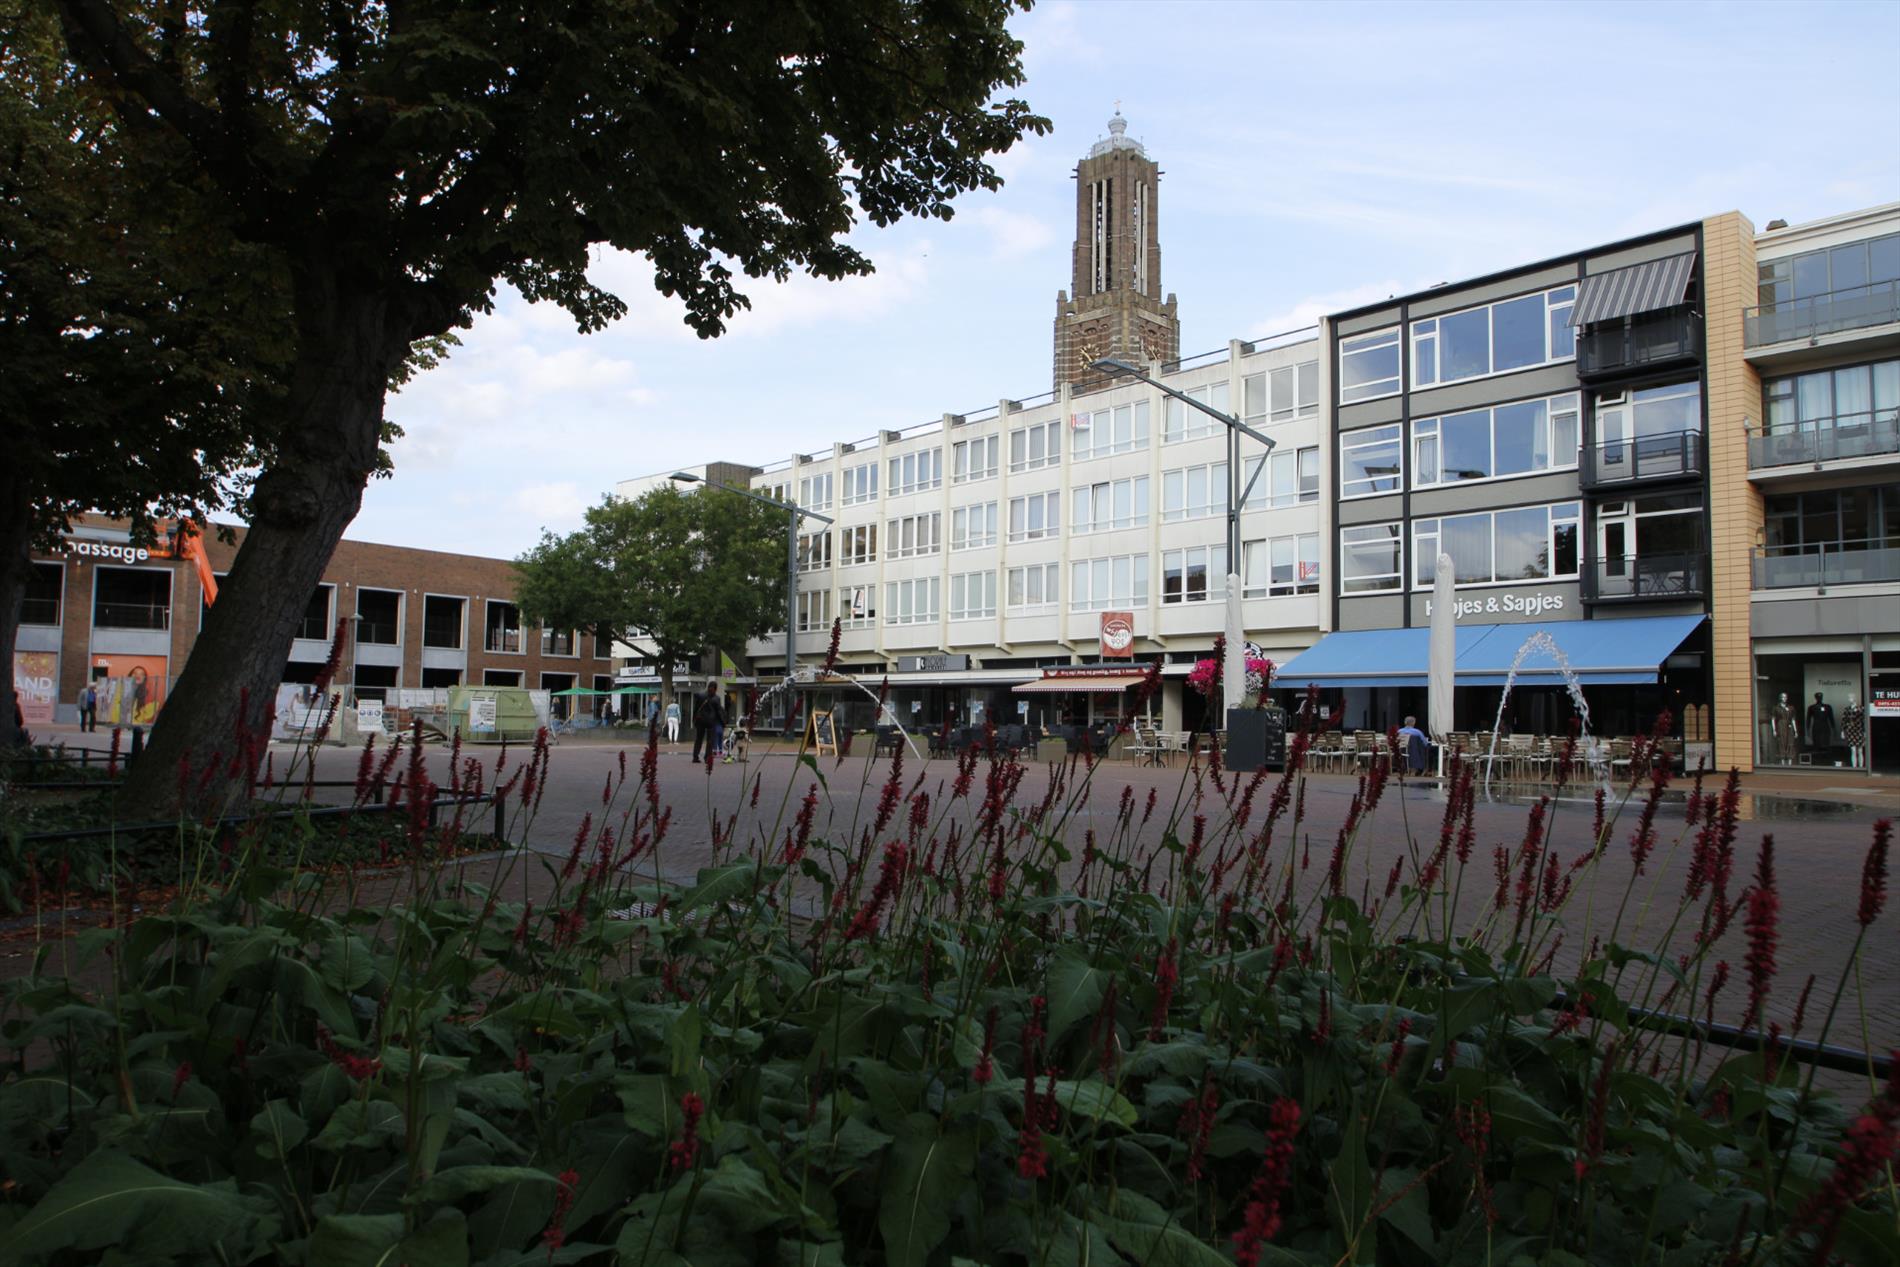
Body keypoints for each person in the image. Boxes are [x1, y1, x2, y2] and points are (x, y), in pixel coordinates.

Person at [691, 683, 725, 763]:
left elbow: (696, 708)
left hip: (700, 720)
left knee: (698, 739)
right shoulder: (717, 698)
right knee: (710, 740)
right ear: (716, 689)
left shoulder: (701, 695)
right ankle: (707, 757)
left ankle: (695, 756)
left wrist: (694, 719)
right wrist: (723, 722)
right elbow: (719, 712)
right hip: (711, 721)